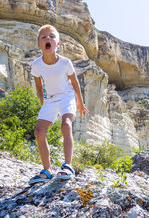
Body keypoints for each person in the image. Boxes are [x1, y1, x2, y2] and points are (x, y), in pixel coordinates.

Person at [29, 24, 89, 184]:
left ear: (58, 44)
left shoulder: (65, 63)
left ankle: (68, 166)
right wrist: (43, 103)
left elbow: (75, 83)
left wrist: (80, 103)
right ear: (39, 45)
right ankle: (47, 170)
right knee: (39, 132)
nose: (48, 38)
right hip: (50, 99)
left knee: (66, 125)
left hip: (66, 96)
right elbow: (38, 86)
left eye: (52, 36)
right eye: (44, 37)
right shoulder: (36, 65)